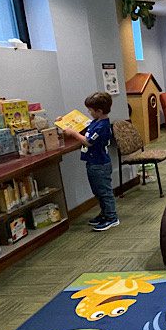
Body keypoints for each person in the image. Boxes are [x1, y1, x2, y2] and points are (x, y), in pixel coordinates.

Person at [61, 92, 118, 231]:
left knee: (104, 191)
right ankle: (104, 213)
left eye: (90, 110)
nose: (89, 112)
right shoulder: (95, 122)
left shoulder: (102, 126)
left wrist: (73, 134)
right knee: (98, 191)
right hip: (93, 163)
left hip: (100, 164)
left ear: (99, 111)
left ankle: (112, 217)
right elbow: (83, 128)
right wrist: (63, 122)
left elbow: (88, 142)